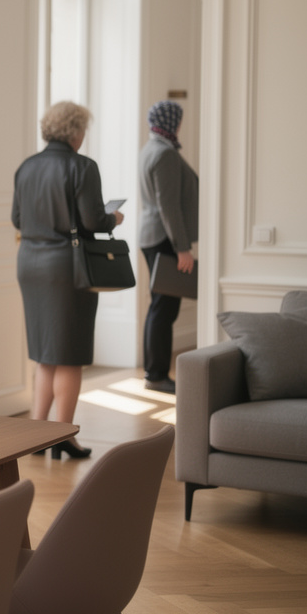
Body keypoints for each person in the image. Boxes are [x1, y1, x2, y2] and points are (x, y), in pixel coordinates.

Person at [12, 101, 123, 460]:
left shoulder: (26, 167)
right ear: (76, 132)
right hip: (67, 267)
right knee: (70, 354)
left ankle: (34, 432)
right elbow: (93, 221)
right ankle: (62, 434)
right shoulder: (83, 167)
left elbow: (17, 218)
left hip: (30, 262)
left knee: (46, 353)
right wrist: (114, 218)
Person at [138, 100, 198, 394]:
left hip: (152, 236)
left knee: (159, 306)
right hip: (164, 239)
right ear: (171, 122)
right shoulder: (165, 154)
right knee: (163, 308)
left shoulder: (150, 149)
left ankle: (155, 372)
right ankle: (157, 374)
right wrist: (182, 247)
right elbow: (168, 205)